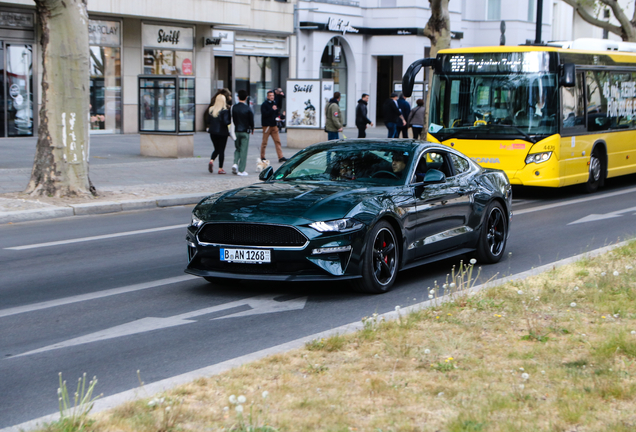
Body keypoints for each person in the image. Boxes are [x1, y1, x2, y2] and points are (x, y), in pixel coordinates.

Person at [231, 90, 254, 176]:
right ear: (246, 98)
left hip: (236, 130)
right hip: (245, 131)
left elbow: (233, 119)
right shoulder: (248, 108)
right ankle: (241, 170)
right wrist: (252, 128)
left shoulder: (234, 107)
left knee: (237, 148)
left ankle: (235, 163)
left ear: (238, 97)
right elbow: (251, 120)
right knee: (244, 150)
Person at [261, 90, 287, 163]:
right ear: (267, 96)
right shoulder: (264, 104)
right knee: (264, 142)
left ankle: (280, 156)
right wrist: (272, 110)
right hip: (267, 126)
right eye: (270, 96)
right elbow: (265, 114)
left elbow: (275, 114)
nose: (272, 97)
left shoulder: (274, 103)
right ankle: (262, 157)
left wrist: (280, 117)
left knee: (278, 141)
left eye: (273, 95)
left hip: (274, 125)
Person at [207, 94, 231, 174]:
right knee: (221, 151)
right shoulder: (224, 111)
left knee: (216, 149)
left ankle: (211, 160)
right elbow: (226, 122)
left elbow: (208, 121)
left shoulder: (211, 110)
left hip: (212, 132)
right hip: (222, 133)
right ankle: (220, 168)